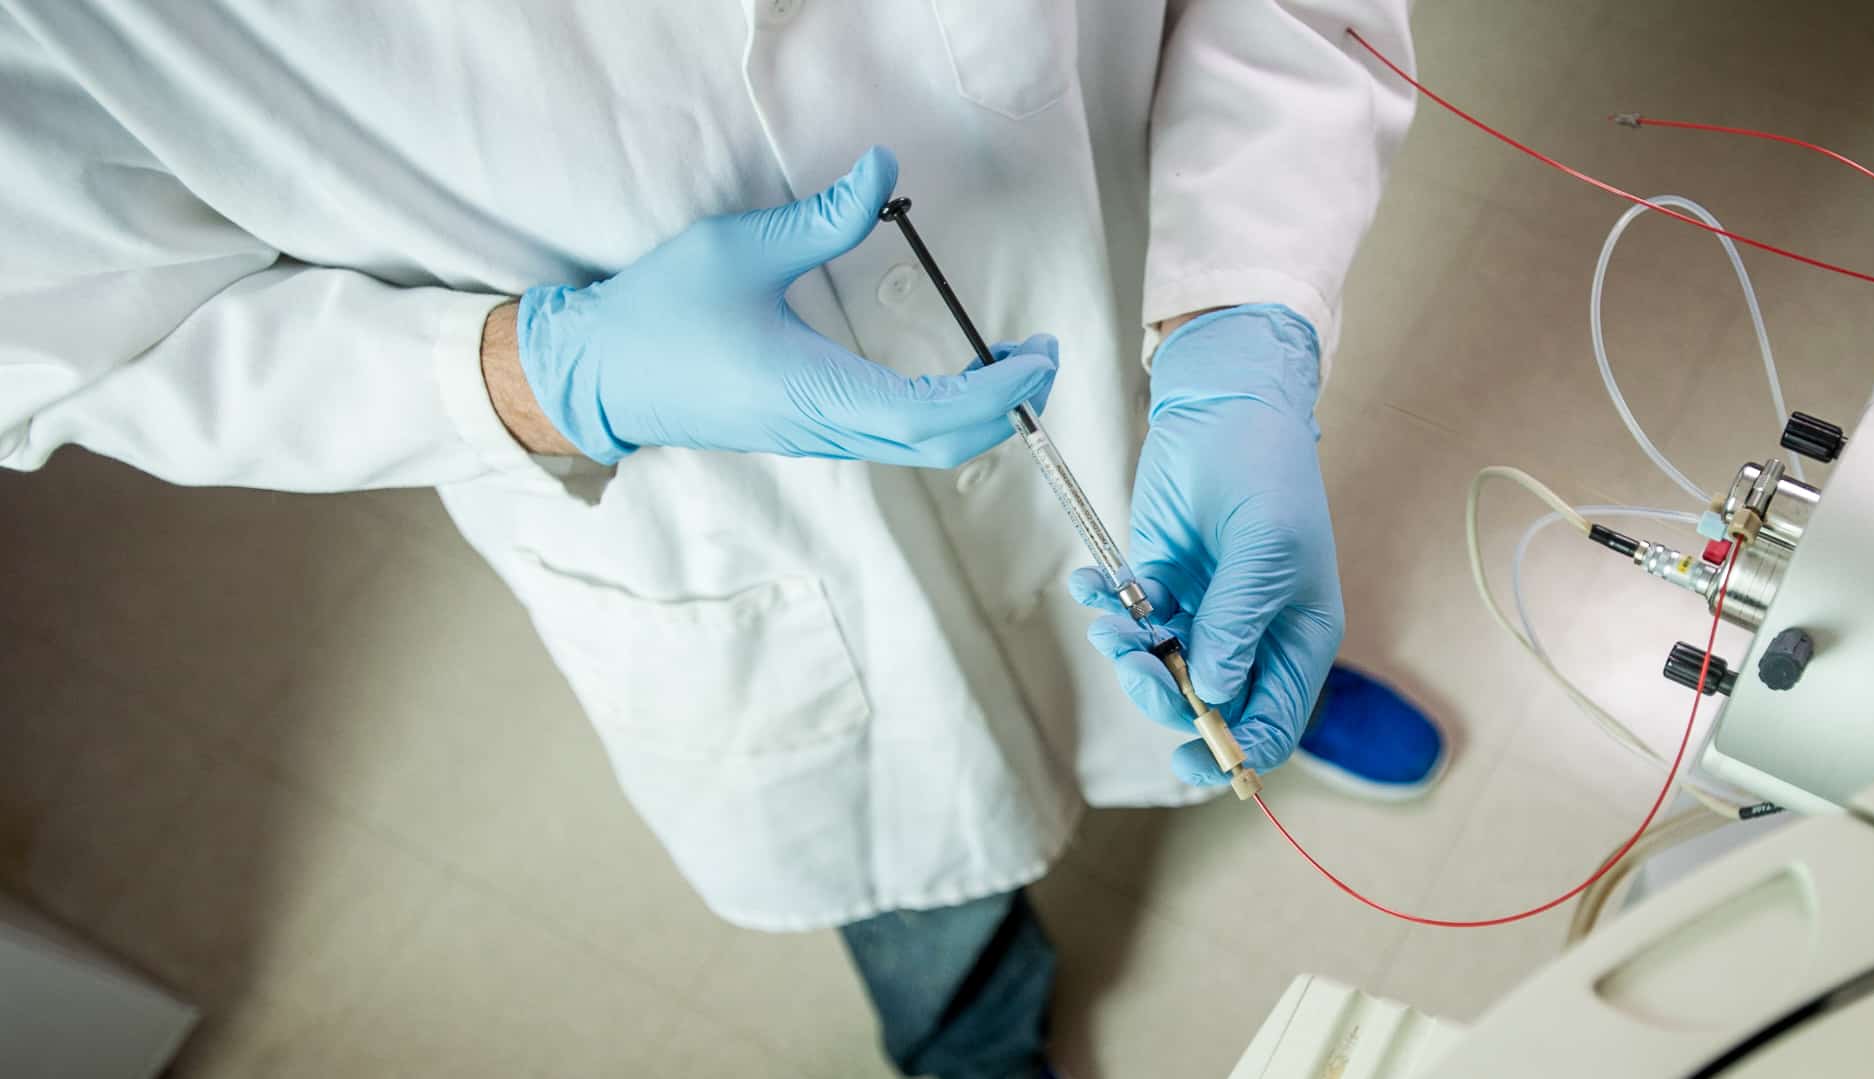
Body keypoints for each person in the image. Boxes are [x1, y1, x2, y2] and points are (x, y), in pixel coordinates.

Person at [0, 3, 1448, 1076]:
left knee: (1222, 580)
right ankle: (971, 1042)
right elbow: (62, 333)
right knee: (909, 839)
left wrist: (1244, 325)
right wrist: (541, 375)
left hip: (1111, 274)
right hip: (699, 495)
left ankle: (1271, 680)